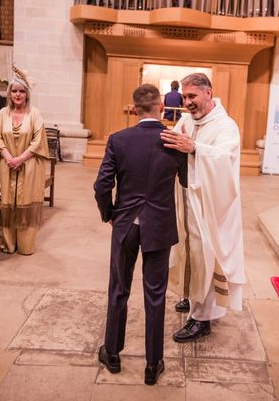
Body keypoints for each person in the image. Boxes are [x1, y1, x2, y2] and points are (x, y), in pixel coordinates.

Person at [94, 84, 187, 385]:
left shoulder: (118, 140)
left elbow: (101, 186)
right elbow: (186, 181)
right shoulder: (174, 140)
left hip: (125, 225)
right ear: (161, 107)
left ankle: (112, 353)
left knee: (119, 288)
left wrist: (110, 214)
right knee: (155, 295)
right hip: (158, 225)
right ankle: (152, 363)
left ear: (134, 109)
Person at [160, 73, 245, 342]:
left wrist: (195, 147)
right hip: (187, 198)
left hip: (211, 205)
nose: (187, 103)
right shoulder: (186, 120)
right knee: (190, 250)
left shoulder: (225, 125)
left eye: (192, 96)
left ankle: (202, 318)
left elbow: (225, 158)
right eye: (184, 97)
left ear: (208, 92)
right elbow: (173, 142)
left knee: (207, 253)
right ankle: (194, 295)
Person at [0, 66, 49, 255]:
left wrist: (20, 159)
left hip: (29, 165)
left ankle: (25, 245)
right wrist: (9, 158)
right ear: (9, 94)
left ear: (27, 94)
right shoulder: (3, 113)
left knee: (26, 201)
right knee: (9, 202)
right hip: (7, 164)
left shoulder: (35, 114)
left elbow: (37, 140)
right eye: (14, 91)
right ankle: (8, 243)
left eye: (21, 91)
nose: (17, 94)